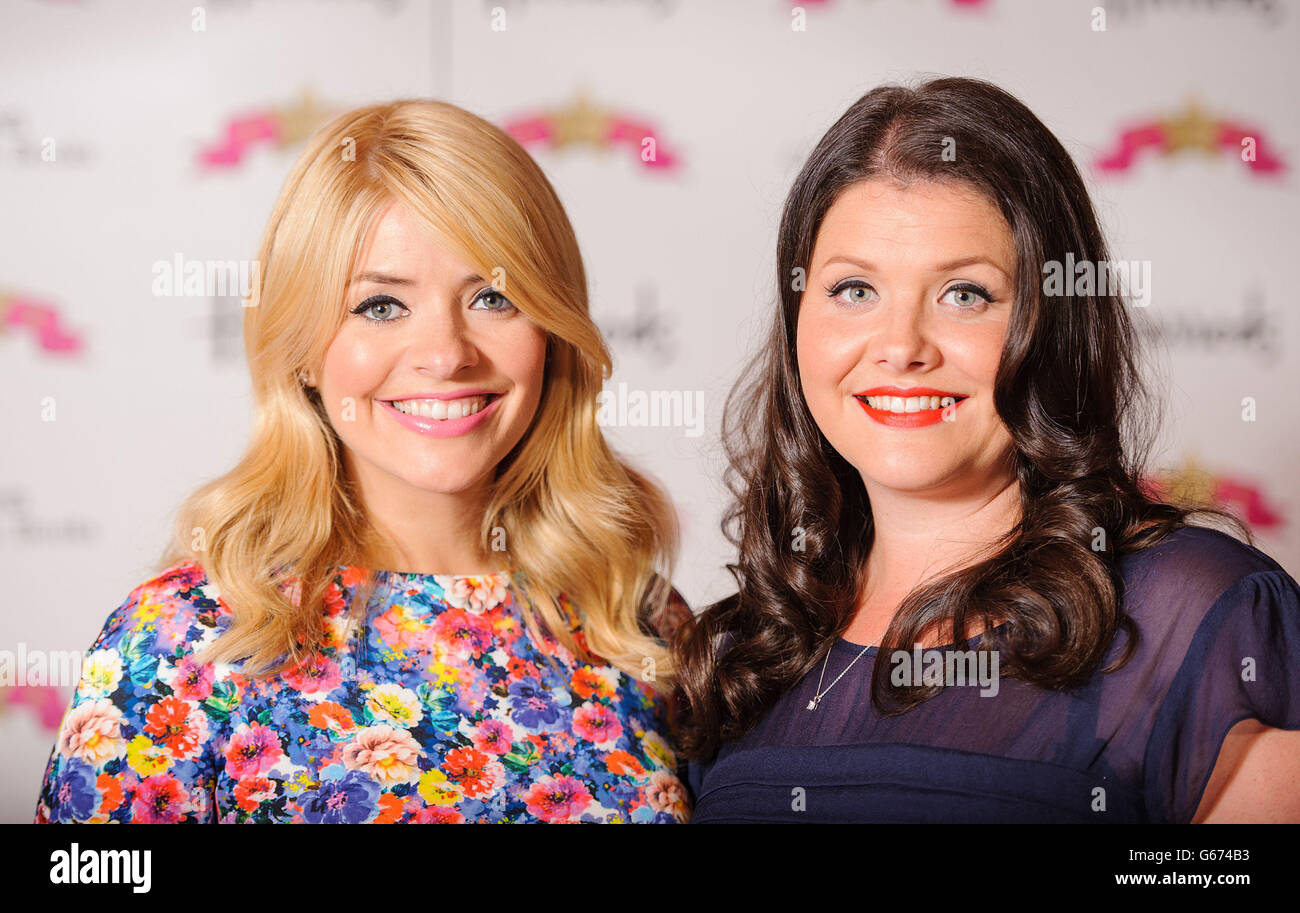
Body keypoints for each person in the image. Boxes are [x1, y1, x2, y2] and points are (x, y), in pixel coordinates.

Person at [35, 99, 692, 824]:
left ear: (552, 331)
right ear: (303, 350)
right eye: (380, 305)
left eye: (494, 297)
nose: (445, 354)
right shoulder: (175, 642)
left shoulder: (637, 618)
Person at [675, 76, 1300, 823]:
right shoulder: (740, 657)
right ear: (797, 317)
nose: (901, 347)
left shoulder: (1194, 615)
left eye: (965, 294)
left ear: (1054, 326)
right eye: (854, 290)